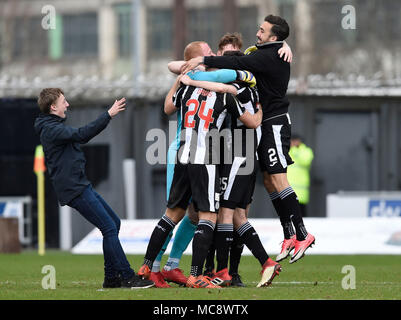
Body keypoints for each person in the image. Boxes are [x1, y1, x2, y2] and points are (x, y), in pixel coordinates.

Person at [182, 15, 315, 264]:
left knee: (276, 179)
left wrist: (200, 61)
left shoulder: (267, 56)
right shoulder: (268, 51)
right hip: (261, 128)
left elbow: (241, 62)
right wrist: (284, 45)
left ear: (273, 37)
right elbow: (246, 58)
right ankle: (288, 234)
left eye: (263, 31)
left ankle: (303, 234)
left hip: (273, 123)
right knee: (268, 180)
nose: (258, 33)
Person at [138, 41, 262, 289]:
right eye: (211, 54)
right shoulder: (225, 93)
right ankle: (196, 275)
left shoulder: (185, 89)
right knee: (208, 216)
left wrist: (190, 79)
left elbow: (169, 105)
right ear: (203, 60)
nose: (216, 56)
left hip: (183, 150)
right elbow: (251, 121)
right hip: (205, 155)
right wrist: (259, 109)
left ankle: (147, 266)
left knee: (172, 214)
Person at [34, 88, 154, 289]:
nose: (68, 104)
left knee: (113, 223)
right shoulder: (51, 129)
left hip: (80, 184)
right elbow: (82, 134)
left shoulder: (52, 125)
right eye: (64, 101)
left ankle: (111, 279)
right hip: (74, 188)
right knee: (108, 227)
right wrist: (108, 114)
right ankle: (127, 276)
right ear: (53, 107)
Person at [181, 50, 282, 288]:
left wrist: (190, 79)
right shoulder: (248, 85)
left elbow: (230, 94)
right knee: (235, 214)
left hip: (240, 152)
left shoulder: (240, 85)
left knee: (228, 214)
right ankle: (227, 270)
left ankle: (255, 264)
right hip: (237, 152)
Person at [287, 134, 314, 217]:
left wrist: (294, 150)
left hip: (301, 192)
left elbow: (305, 161)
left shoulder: (306, 151)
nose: (293, 143)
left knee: (301, 214)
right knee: (287, 214)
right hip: (287, 188)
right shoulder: (287, 150)